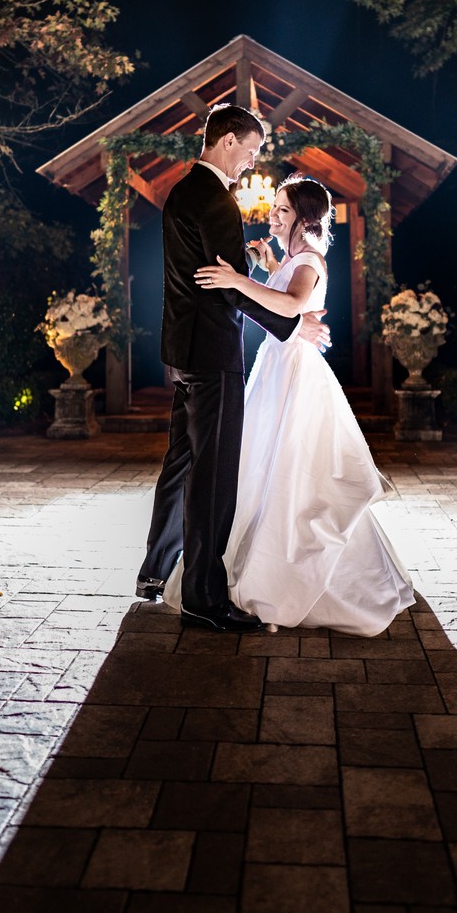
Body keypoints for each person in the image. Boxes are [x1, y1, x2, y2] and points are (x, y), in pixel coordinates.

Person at [161, 173, 415, 636]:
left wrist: (239, 280)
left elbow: (293, 303)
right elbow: (287, 302)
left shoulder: (311, 260)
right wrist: (266, 261)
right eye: (274, 207)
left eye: (281, 209)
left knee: (294, 473)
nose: (271, 214)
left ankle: (299, 580)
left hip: (295, 375)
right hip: (276, 366)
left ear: (303, 218)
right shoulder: (295, 257)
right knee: (261, 467)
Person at [135, 104, 331, 633]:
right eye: (251, 150)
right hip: (214, 353)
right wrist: (295, 326)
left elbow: (218, 280)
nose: (252, 162)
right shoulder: (217, 202)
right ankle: (203, 595)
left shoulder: (181, 191)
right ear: (225, 140)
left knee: (180, 463)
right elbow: (230, 284)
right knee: (214, 477)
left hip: (181, 350)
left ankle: (154, 571)